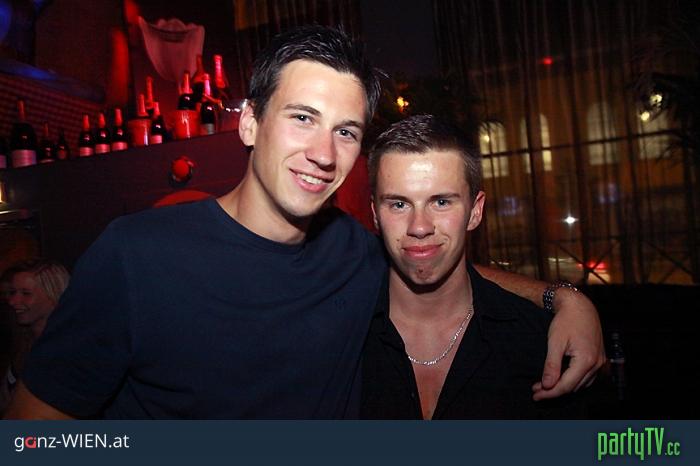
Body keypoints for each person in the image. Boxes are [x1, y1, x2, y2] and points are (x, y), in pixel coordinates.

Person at [6, 26, 603, 419]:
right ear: (249, 123)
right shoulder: (136, 256)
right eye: (302, 118)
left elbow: (442, 263)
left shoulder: (354, 253)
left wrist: (566, 300)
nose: (323, 152)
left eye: (345, 131)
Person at [361, 115, 596, 419]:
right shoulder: (341, 336)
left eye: (441, 202)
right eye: (399, 204)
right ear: (375, 214)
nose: (419, 227)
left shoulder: (538, 345)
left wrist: (571, 300)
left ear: (475, 211)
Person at [0, 259, 69, 416]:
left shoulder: (66, 351)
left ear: (54, 296)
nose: (13, 301)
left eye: (26, 294)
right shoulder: (22, 341)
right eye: (12, 292)